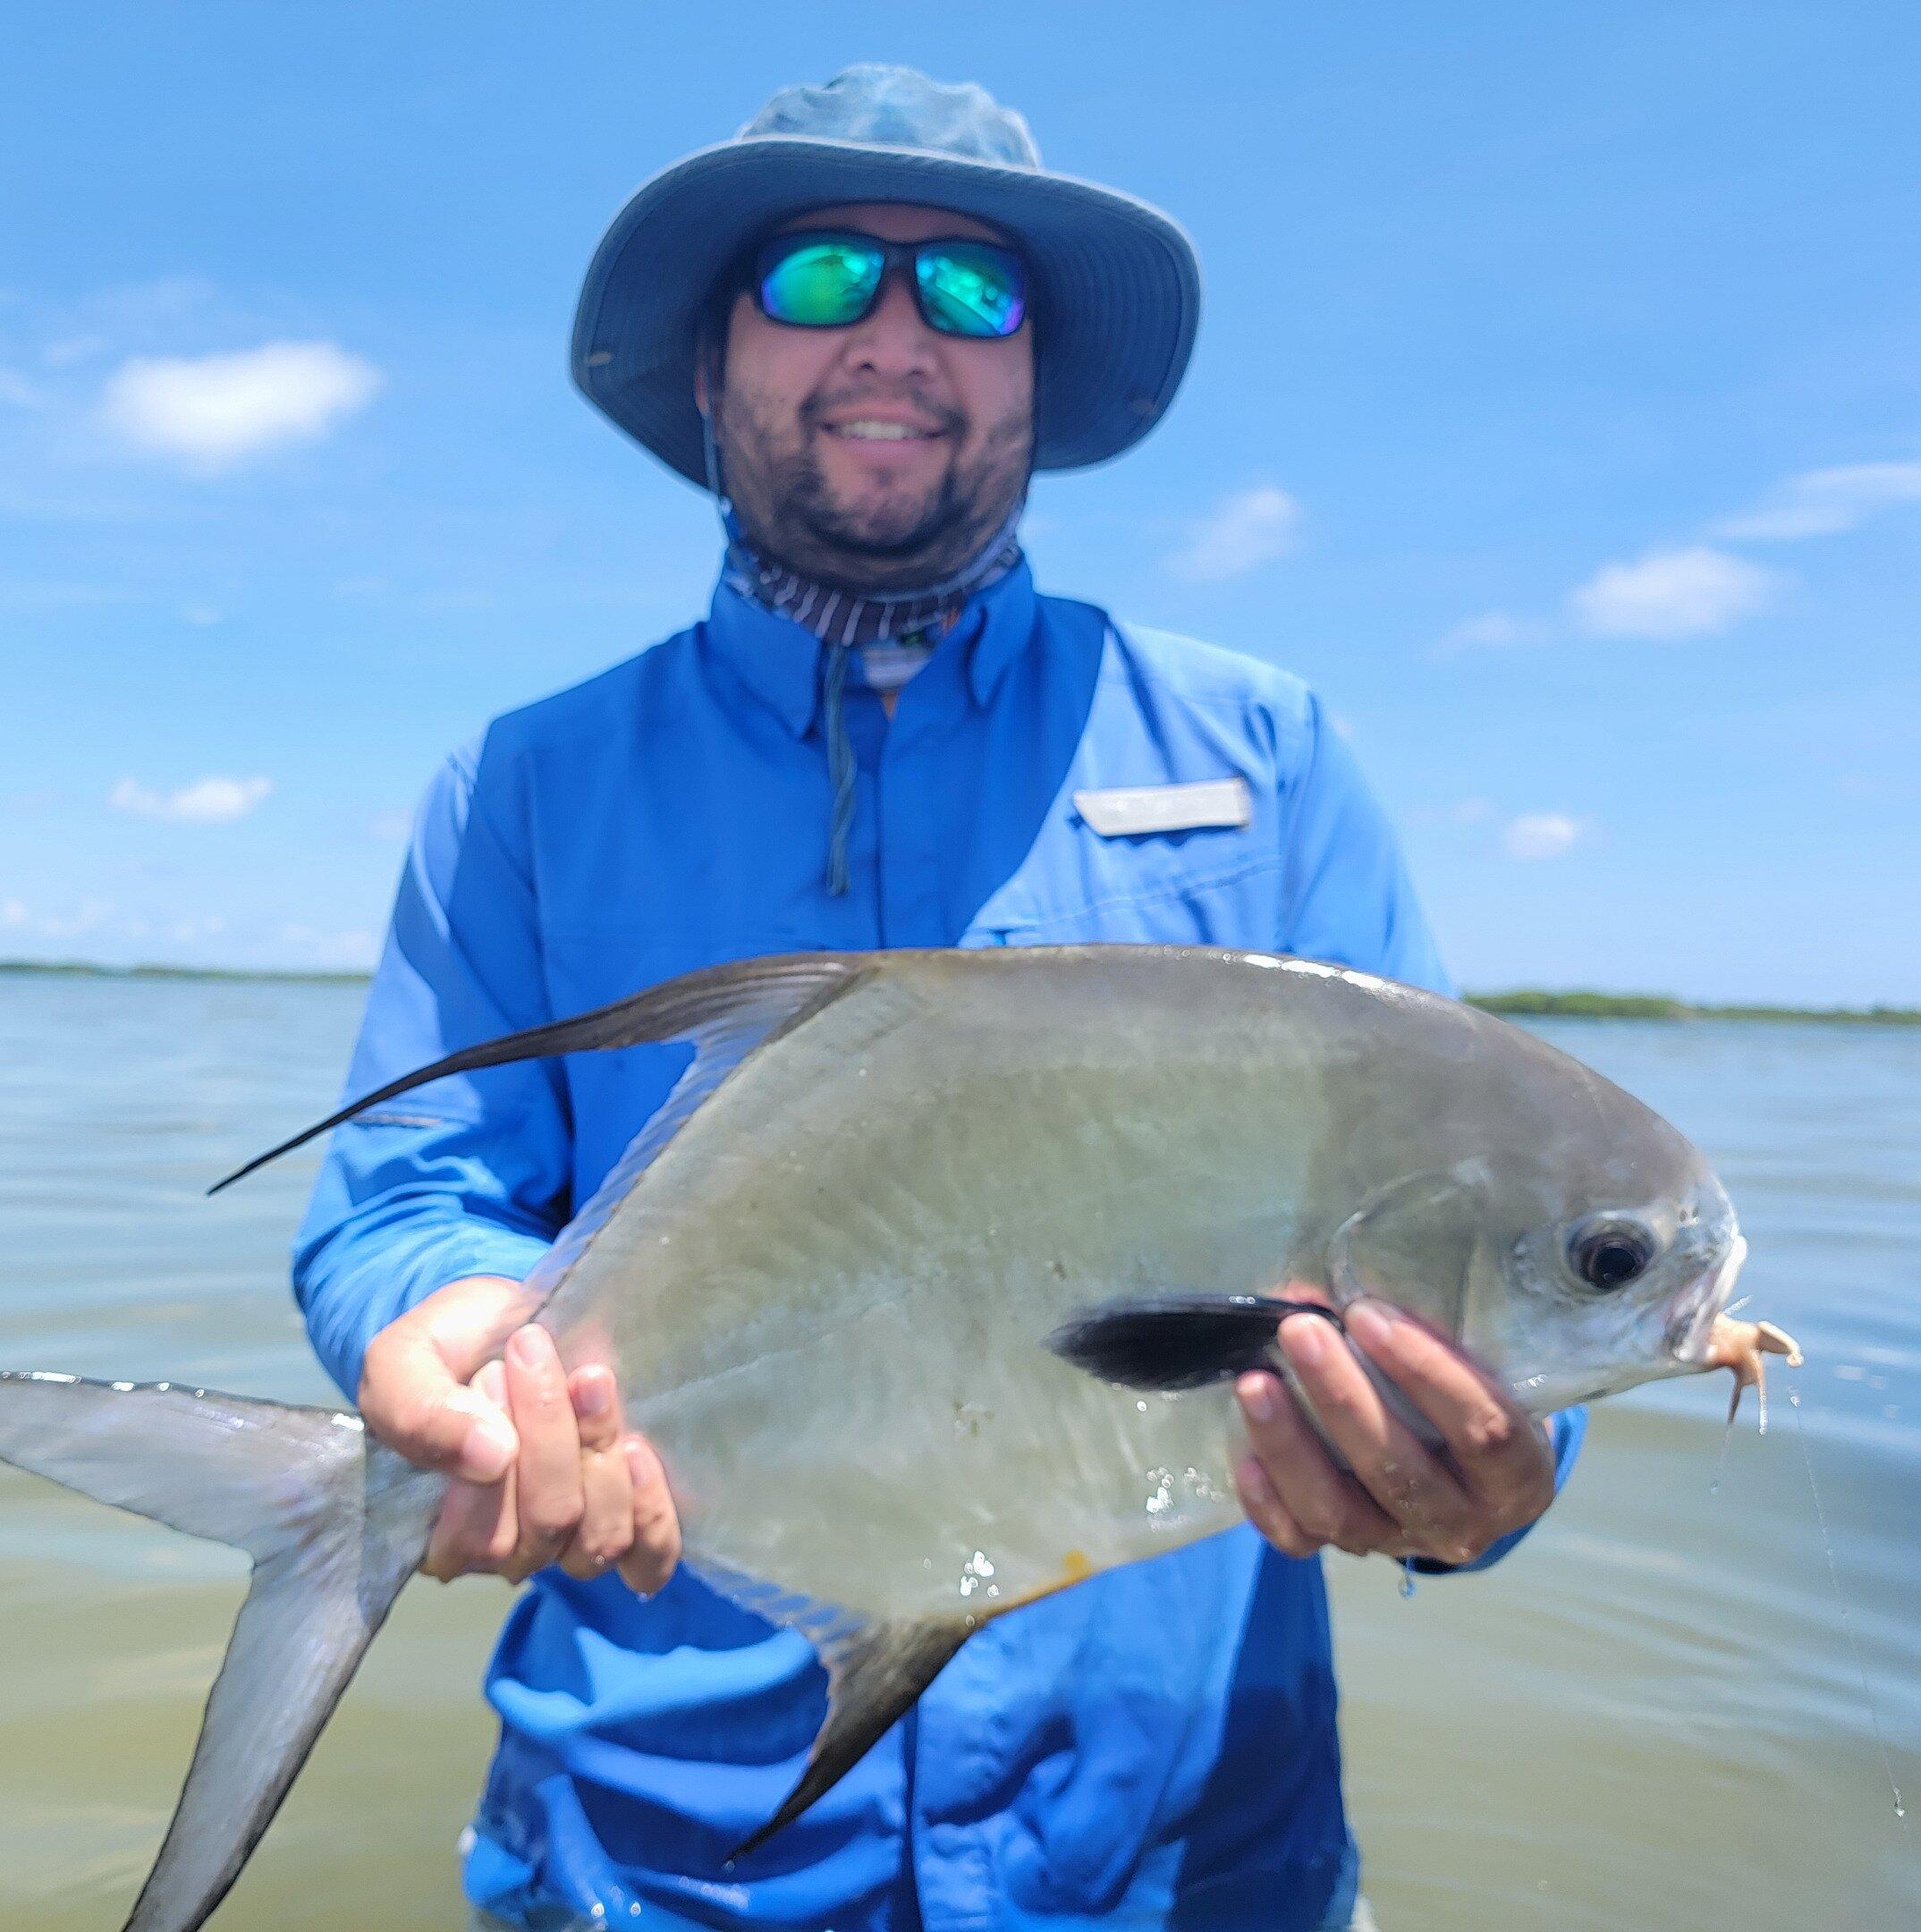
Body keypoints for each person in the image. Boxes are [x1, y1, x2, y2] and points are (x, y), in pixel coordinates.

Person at [295, 64, 1585, 1932]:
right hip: (656, 1864)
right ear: (712, 355)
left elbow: (1496, 1214)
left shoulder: (1267, 758)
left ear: (1035, 372)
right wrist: (445, 1327)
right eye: (820, 277)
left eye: (974, 291)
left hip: (1184, 1865)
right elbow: (408, 1194)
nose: (897, 334)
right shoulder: (524, 788)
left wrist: (1496, 1465)